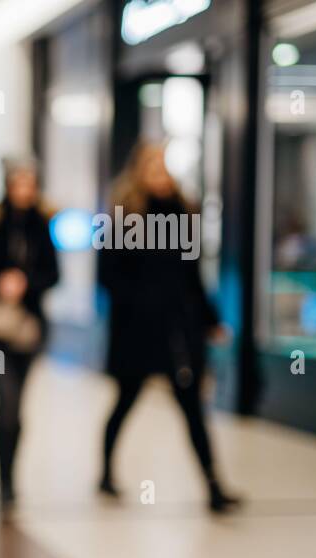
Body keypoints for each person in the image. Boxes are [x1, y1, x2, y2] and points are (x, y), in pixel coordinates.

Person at [97, 142, 241, 513]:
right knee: (126, 401)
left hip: (179, 330)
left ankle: (213, 485)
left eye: (164, 166)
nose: (161, 174)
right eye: (153, 166)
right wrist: (143, 302)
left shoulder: (183, 214)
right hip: (138, 331)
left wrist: (211, 320)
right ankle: (106, 473)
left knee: (192, 405)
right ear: (139, 172)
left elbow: (193, 277)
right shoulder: (124, 218)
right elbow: (108, 277)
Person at [0, 156, 60, 513]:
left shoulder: (42, 226)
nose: (25, 190)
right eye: (19, 183)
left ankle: (10, 477)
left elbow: (54, 276)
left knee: (17, 405)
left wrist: (27, 283)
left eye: (30, 183)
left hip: (29, 331)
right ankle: (4, 481)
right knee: (8, 400)